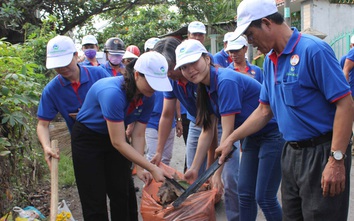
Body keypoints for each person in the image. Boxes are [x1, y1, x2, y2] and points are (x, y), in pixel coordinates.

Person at [216, 0, 353, 220]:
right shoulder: (270, 61)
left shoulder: (313, 50)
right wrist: (230, 139)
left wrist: (336, 160)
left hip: (322, 152)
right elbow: (263, 110)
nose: (250, 43)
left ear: (267, 23)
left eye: (251, 35)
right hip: (290, 152)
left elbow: (345, 104)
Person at [176, 39, 285, 221]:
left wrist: (217, 174)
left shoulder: (225, 80)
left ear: (207, 59)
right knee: (244, 193)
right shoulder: (204, 86)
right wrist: (195, 168)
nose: (190, 70)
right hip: (250, 136)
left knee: (264, 197)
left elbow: (227, 137)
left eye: (193, 62)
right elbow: (208, 130)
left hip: (272, 134)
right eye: (184, 67)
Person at [71, 51, 173, 221]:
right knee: (94, 196)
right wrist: (152, 167)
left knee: (122, 192)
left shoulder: (148, 96)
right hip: (87, 139)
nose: (155, 88)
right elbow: (118, 142)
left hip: (115, 137)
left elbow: (138, 135)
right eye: (151, 82)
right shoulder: (113, 93)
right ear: (137, 75)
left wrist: (140, 167)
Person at [151, 37, 240, 221]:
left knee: (229, 179)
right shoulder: (173, 80)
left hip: (223, 124)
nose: (169, 74)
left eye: (170, 68)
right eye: (164, 70)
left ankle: (234, 217)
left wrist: (212, 168)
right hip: (197, 123)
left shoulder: (199, 78)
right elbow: (167, 115)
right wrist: (159, 151)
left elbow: (212, 128)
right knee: (192, 177)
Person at [37, 35, 110, 167]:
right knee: (90, 186)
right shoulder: (52, 90)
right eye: (58, 65)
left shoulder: (99, 74)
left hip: (112, 137)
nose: (62, 68)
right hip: (82, 144)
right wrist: (46, 147)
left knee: (118, 184)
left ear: (76, 55)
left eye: (65, 62)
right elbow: (42, 125)